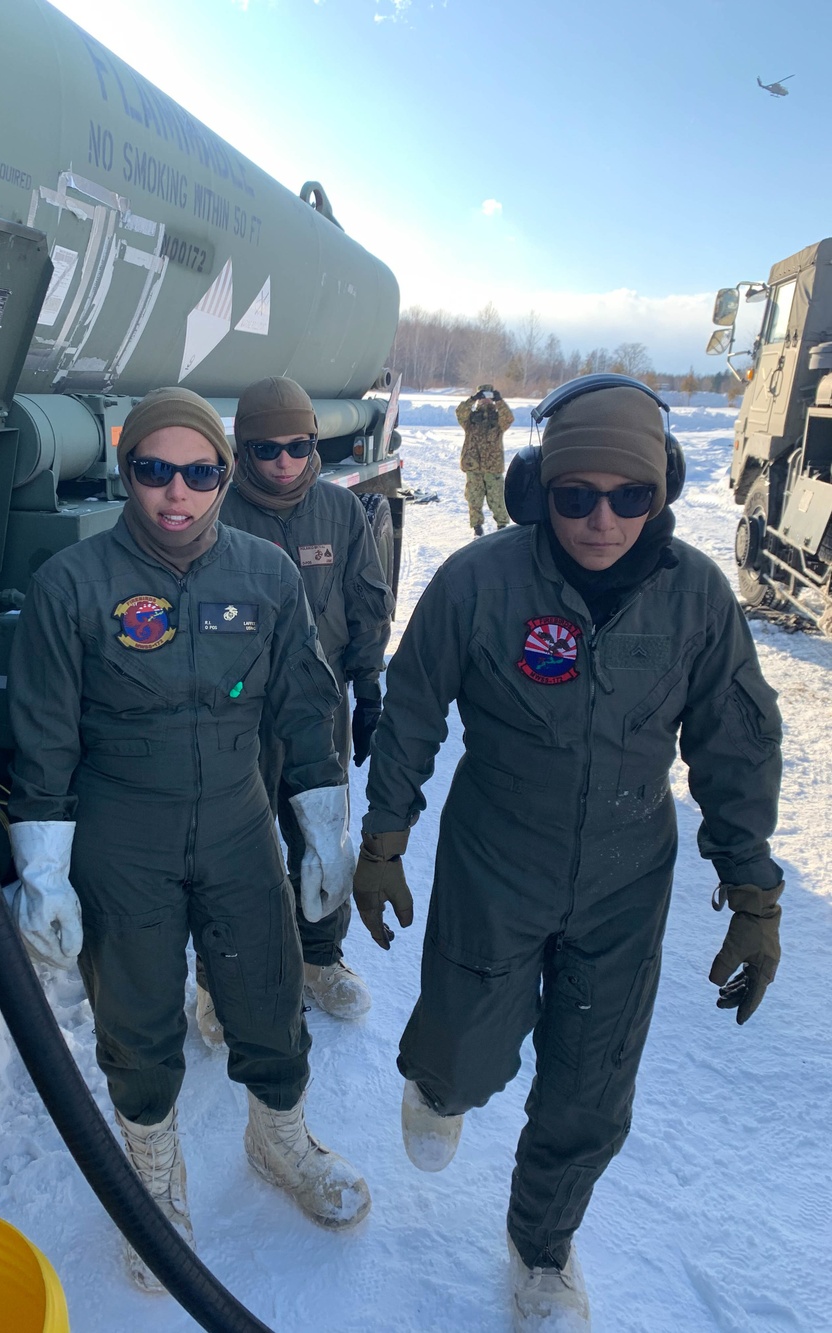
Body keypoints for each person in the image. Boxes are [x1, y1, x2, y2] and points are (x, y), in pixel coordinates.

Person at [351, 376, 783, 1331]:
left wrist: (753, 893)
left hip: (625, 883)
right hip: (495, 862)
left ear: (662, 491)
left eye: (631, 497)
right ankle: (442, 1086)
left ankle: (541, 1248)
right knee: (463, 1048)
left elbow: (735, 744)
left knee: (592, 1086)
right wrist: (383, 839)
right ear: (540, 489)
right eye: (575, 496)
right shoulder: (482, 582)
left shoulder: (696, 599)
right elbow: (412, 707)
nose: (602, 519)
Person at [6, 387, 371, 1295]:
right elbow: (45, 733)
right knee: (137, 1016)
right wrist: (44, 866)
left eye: (200, 472)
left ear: (225, 473)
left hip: (241, 819)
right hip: (123, 829)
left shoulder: (265, 574)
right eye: (154, 470)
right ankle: (153, 1177)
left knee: (267, 989)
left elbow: (303, 700)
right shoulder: (73, 584)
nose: (177, 493)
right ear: (127, 471)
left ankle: (279, 1140)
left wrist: (324, 821)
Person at [193, 375, 393, 1037]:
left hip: (319, 705)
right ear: (242, 450)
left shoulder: (339, 512)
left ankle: (320, 959)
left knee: (321, 834)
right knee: (230, 847)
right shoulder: (211, 513)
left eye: (299, 446)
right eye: (268, 449)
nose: (285, 462)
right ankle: (220, 981)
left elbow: (367, 604)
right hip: (236, 712)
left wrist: (368, 694)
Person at [456, 383, 515, 536]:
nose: (485, 400)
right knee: (474, 499)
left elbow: (509, 419)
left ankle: (502, 526)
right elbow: (459, 412)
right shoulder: (471, 418)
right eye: (482, 397)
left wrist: (499, 401)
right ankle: (477, 527)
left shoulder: (498, 418)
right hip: (473, 466)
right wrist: (472, 399)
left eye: (488, 397)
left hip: (492, 466)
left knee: (497, 498)